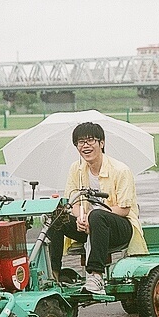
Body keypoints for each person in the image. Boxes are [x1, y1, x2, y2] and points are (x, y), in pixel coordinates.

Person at [50, 121, 148, 295]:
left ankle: (96, 276)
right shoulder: (76, 169)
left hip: (120, 227)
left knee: (97, 215)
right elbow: (73, 201)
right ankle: (53, 275)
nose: (85, 146)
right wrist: (80, 217)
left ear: (101, 143)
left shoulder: (121, 170)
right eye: (80, 142)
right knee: (56, 216)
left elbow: (124, 209)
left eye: (90, 141)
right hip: (89, 224)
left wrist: (90, 216)